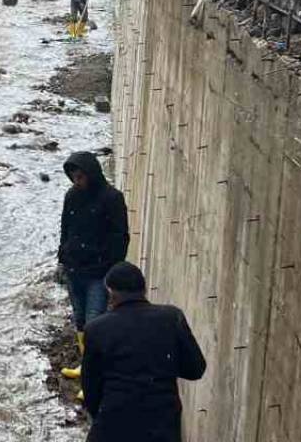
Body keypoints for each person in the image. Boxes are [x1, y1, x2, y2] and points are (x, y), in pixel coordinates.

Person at [81, 262, 207, 442]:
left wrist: (104, 412)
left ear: (111, 293)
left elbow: (91, 388)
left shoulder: (97, 329)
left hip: (114, 422)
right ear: (144, 288)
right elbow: (196, 369)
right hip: (162, 422)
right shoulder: (171, 318)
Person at [57, 151, 128, 384]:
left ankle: (95, 376)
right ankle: (87, 366)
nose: (77, 182)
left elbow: (120, 236)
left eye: (80, 177)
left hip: (98, 273)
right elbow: (65, 228)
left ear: (91, 174)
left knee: (94, 323)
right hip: (74, 269)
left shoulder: (112, 198)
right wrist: (63, 259)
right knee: (79, 319)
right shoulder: (71, 196)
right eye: (73, 177)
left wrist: (111, 268)